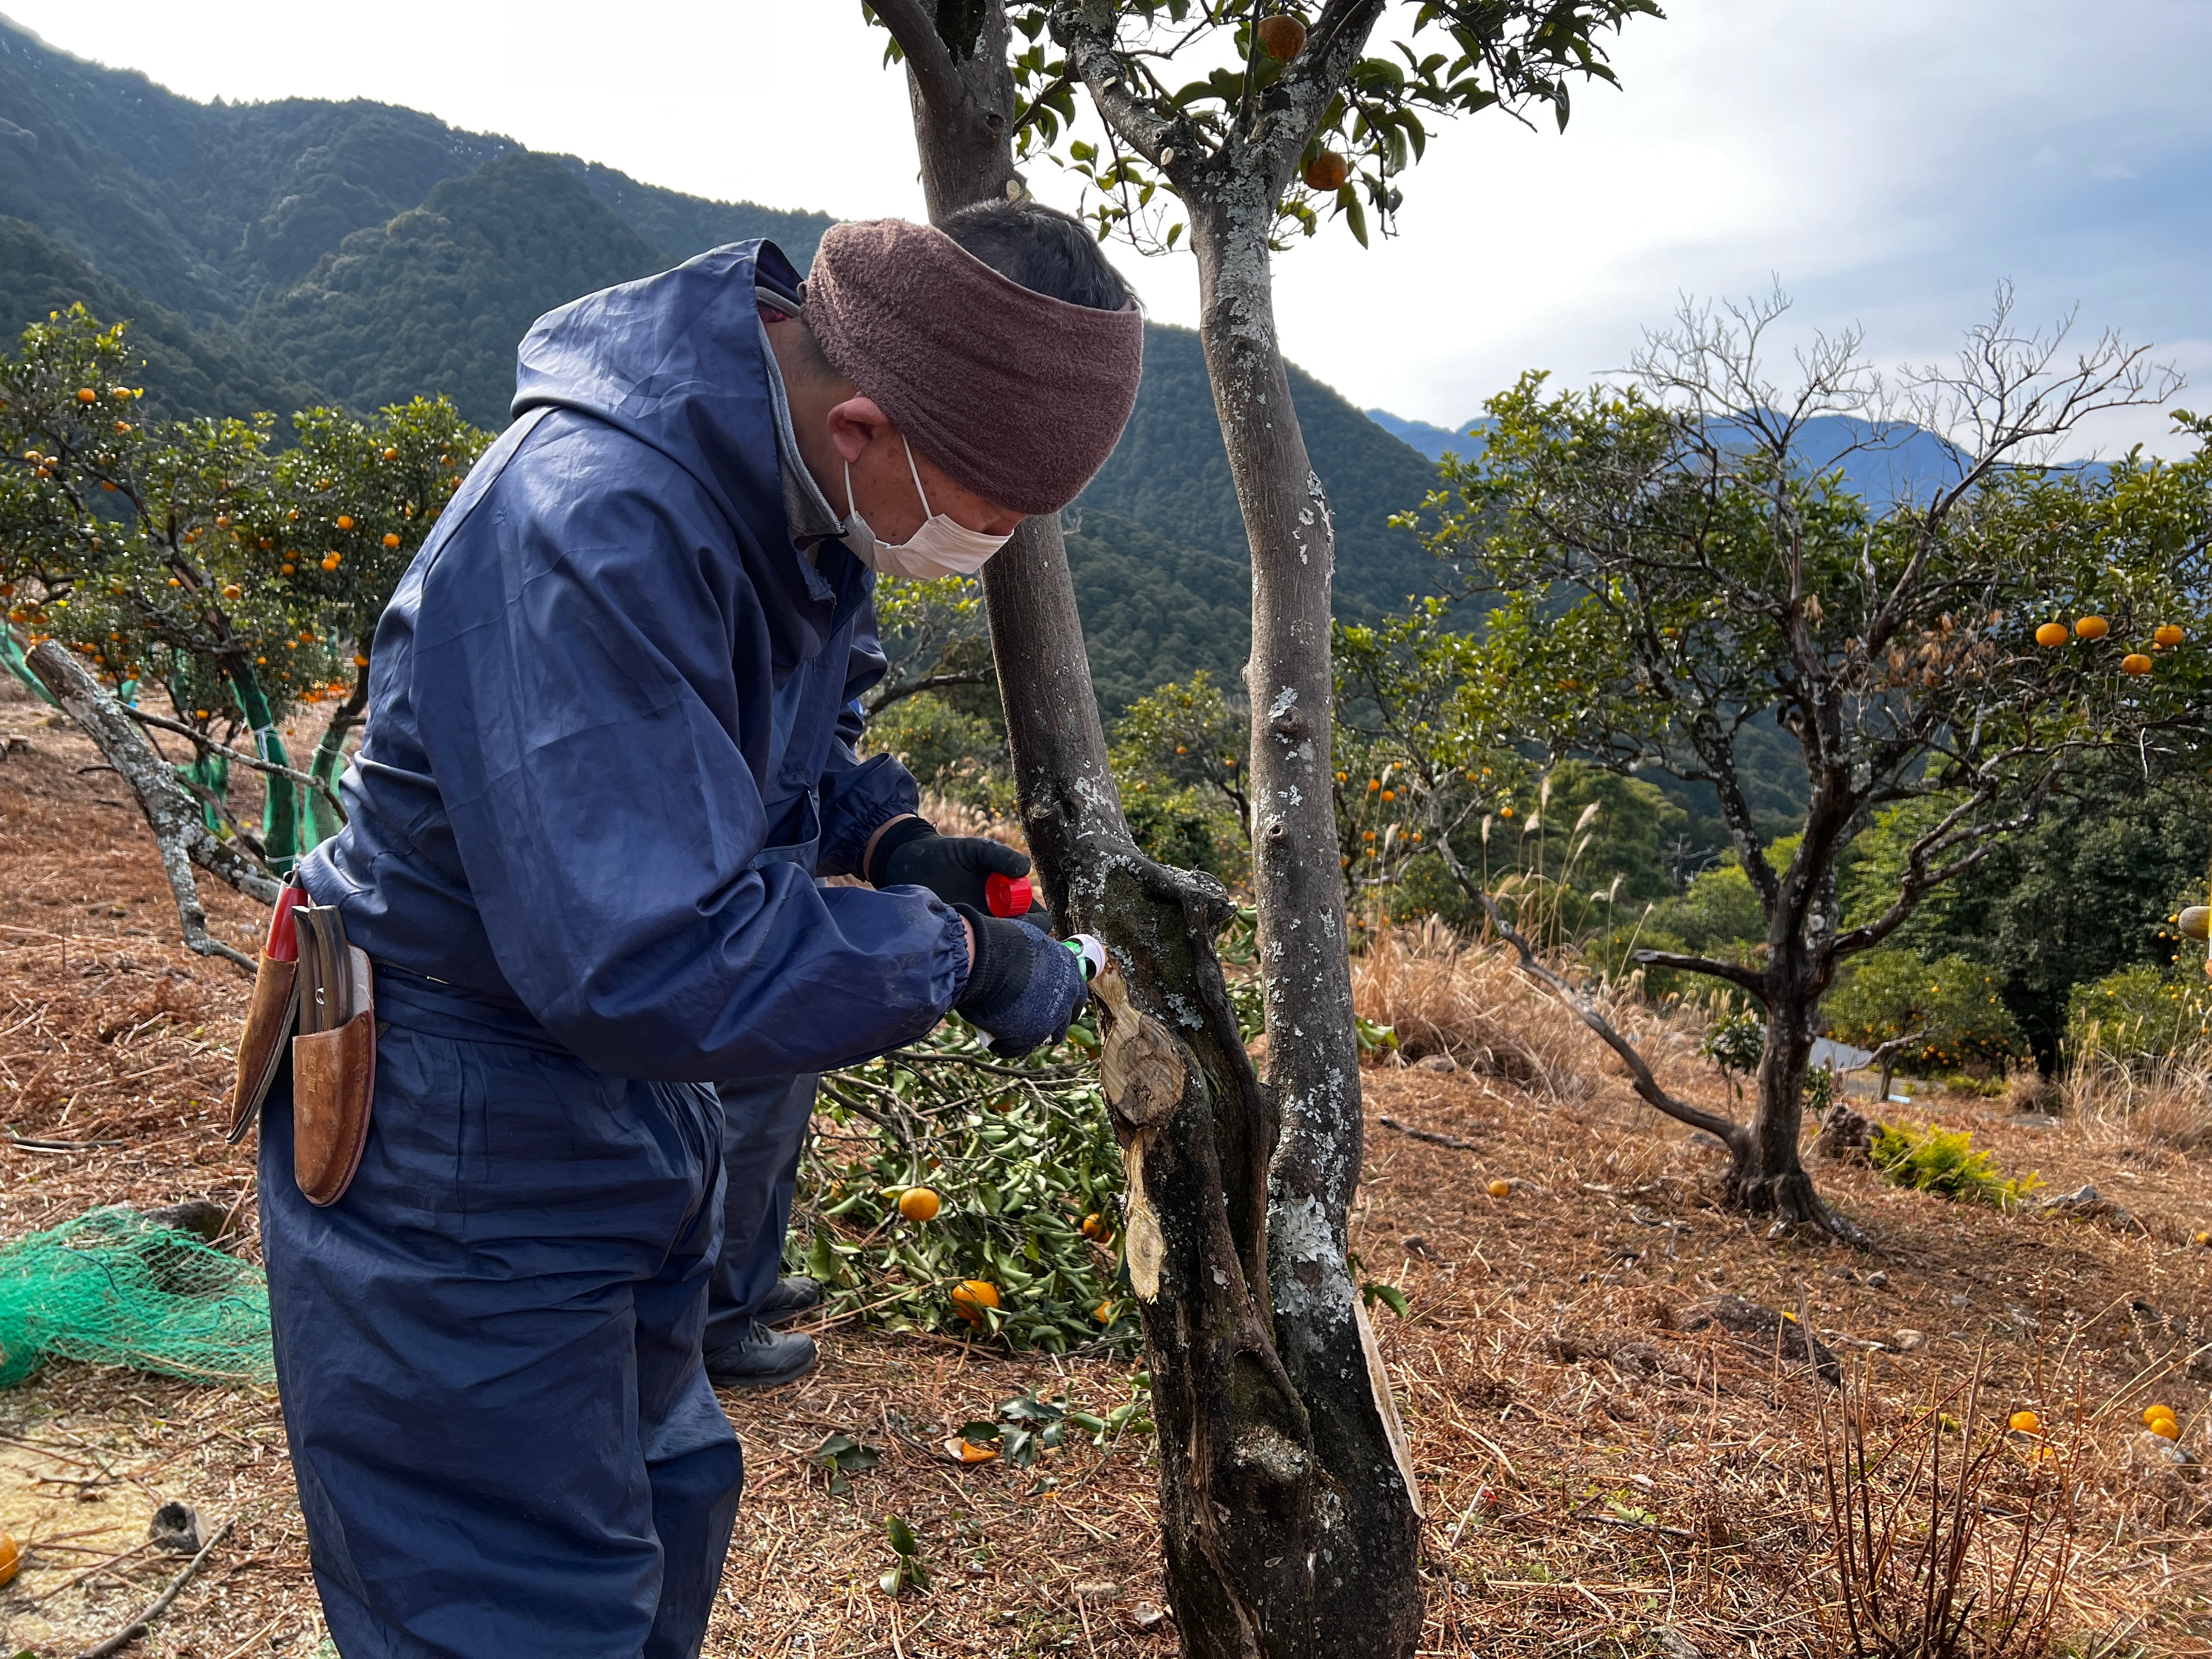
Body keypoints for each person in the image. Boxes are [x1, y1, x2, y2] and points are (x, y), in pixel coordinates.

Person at [259, 201, 1142, 1657]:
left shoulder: (781, 487)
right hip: (460, 1118)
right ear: (867, 424)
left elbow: (764, 738)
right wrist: (960, 963)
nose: (982, 550)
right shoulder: (593, 528)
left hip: (613, 1114)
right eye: (985, 518)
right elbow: (652, 954)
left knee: (652, 1510)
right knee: (513, 1597)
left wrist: (887, 837)